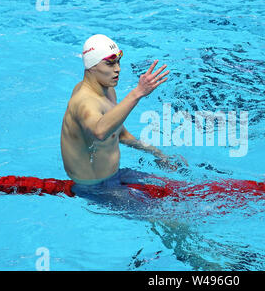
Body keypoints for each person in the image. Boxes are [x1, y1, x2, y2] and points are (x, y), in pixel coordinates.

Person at [60, 34, 186, 207]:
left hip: (115, 175)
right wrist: (138, 93)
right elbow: (100, 131)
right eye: (110, 63)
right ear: (91, 66)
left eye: (118, 62)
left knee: (177, 192)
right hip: (94, 187)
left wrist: (157, 154)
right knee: (166, 215)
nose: (118, 69)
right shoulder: (84, 101)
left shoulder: (107, 90)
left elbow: (120, 133)